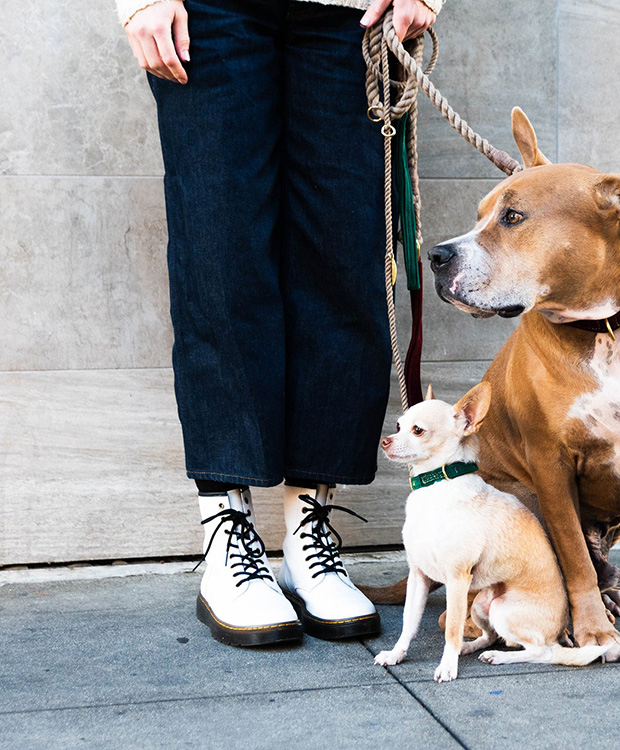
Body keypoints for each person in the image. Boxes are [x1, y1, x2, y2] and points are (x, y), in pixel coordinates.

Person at [117, 0, 441, 647]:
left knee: (343, 261)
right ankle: (226, 534)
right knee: (221, 258)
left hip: (347, 14)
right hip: (210, 12)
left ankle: (306, 530)